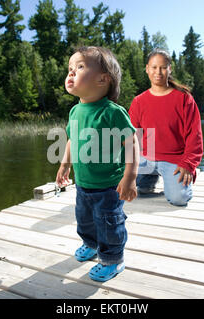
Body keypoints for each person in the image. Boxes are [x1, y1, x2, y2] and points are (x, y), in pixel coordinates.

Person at [56, 46, 139, 282]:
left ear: (103, 79)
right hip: (83, 184)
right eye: (70, 69)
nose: (71, 73)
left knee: (109, 224)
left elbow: (132, 144)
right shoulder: (75, 112)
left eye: (79, 67)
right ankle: (91, 245)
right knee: (85, 220)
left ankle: (113, 259)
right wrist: (65, 165)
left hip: (109, 186)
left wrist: (129, 178)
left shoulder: (113, 112)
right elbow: (72, 139)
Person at [128, 49, 203, 206]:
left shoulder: (184, 99)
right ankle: (147, 181)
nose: (158, 72)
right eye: (154, 67)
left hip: (175, 160)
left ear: (170, 68)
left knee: (178, 199)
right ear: (147, 69)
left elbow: (194, 136)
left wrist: (188, 164)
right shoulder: (138, 101)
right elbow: (133, 138)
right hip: (145, 159)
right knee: (116, 185)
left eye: (163, 67)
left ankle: (174, 181)